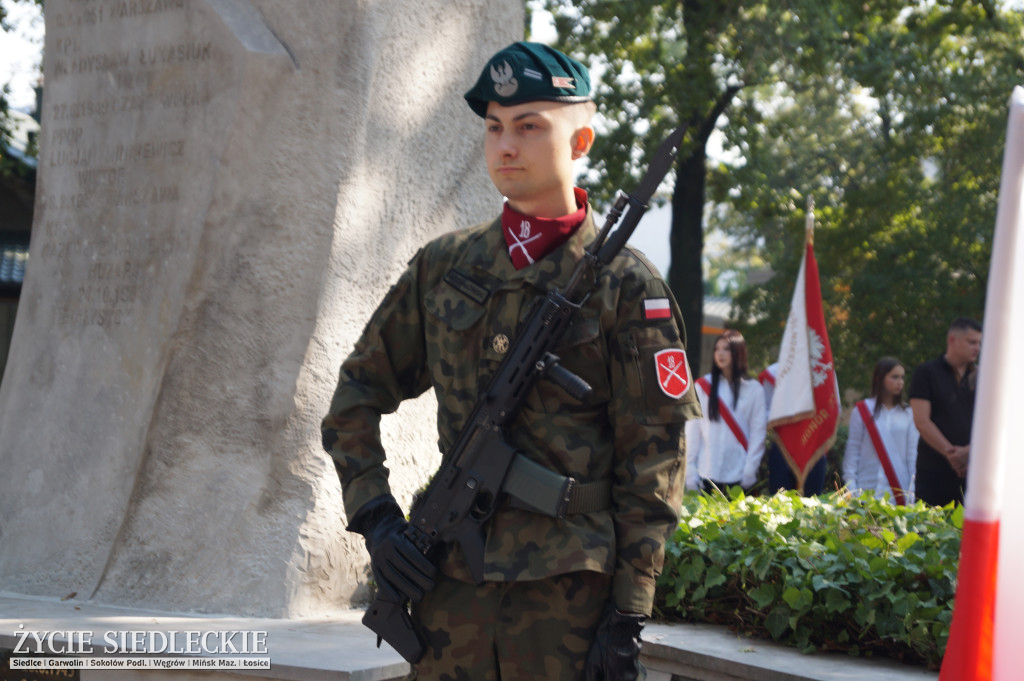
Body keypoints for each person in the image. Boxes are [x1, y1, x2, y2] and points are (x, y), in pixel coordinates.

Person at [321, 41, 701, 681]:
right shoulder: (443, 267)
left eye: (529, 127)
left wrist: (629, 613)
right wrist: (379, 521)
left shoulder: (626, 287)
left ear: (580, 141)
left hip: (568, 610)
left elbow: (654, 457)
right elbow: (355, 396)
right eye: (494, 127)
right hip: (449, 602)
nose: (505, 146)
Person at [909, 317, 982, 506]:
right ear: (952, 340)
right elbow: (922, 421)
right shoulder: (926, 373)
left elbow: (993, 424)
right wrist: (953, 455)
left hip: (975, 471)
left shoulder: (984, 377)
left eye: (979, 343)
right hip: (934, 471)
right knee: (929, 530)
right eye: (972, 342)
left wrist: (969, 452)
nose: (977, 348)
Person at [685, 330, 766, 493]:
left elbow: (758, 433)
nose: (720, 354)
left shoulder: (754, 389)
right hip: (706, 474)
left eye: (726, 349)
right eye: (717, 349)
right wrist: (690, 470)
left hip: (740, 476)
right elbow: (693, 431)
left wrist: (750, 471)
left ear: (738, 352)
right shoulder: (702, 387)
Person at [843, 357, 920, 504]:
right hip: (865, 492)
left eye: (902, 377)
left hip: (898, 494)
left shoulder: (909, 414)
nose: (900, 382)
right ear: (880, 378)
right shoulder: (862, 411)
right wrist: (852, 488)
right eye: (894, 377)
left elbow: (913, 457)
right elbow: (852, 453)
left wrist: (912, 492)